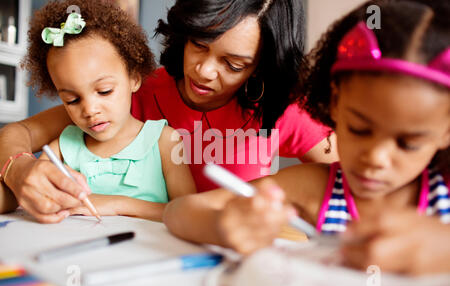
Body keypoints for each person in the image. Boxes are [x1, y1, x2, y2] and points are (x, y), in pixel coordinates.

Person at [162, 0, 450, 275]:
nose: (376, 157)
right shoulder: (317, 187)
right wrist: (222, 224)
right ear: (334, 104)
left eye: (408, 143)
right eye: (359, 130)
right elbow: (180, 212)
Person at [0, 0, 337, 220]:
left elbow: (347, 174)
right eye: (199, 45)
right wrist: (18, 170)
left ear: (261, 67)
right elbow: (20, 133)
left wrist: (277, 192)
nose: (204, 71)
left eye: (233, 64)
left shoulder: (280, 108)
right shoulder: (133, 90)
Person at [0, 0, 196, 223]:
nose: (90, 110)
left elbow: (190, 213)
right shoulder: (63, 147)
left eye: (104, 91)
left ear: (134, 79)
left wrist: (117, 204)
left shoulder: (164, 140)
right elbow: (22, 193)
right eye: (72, 100)